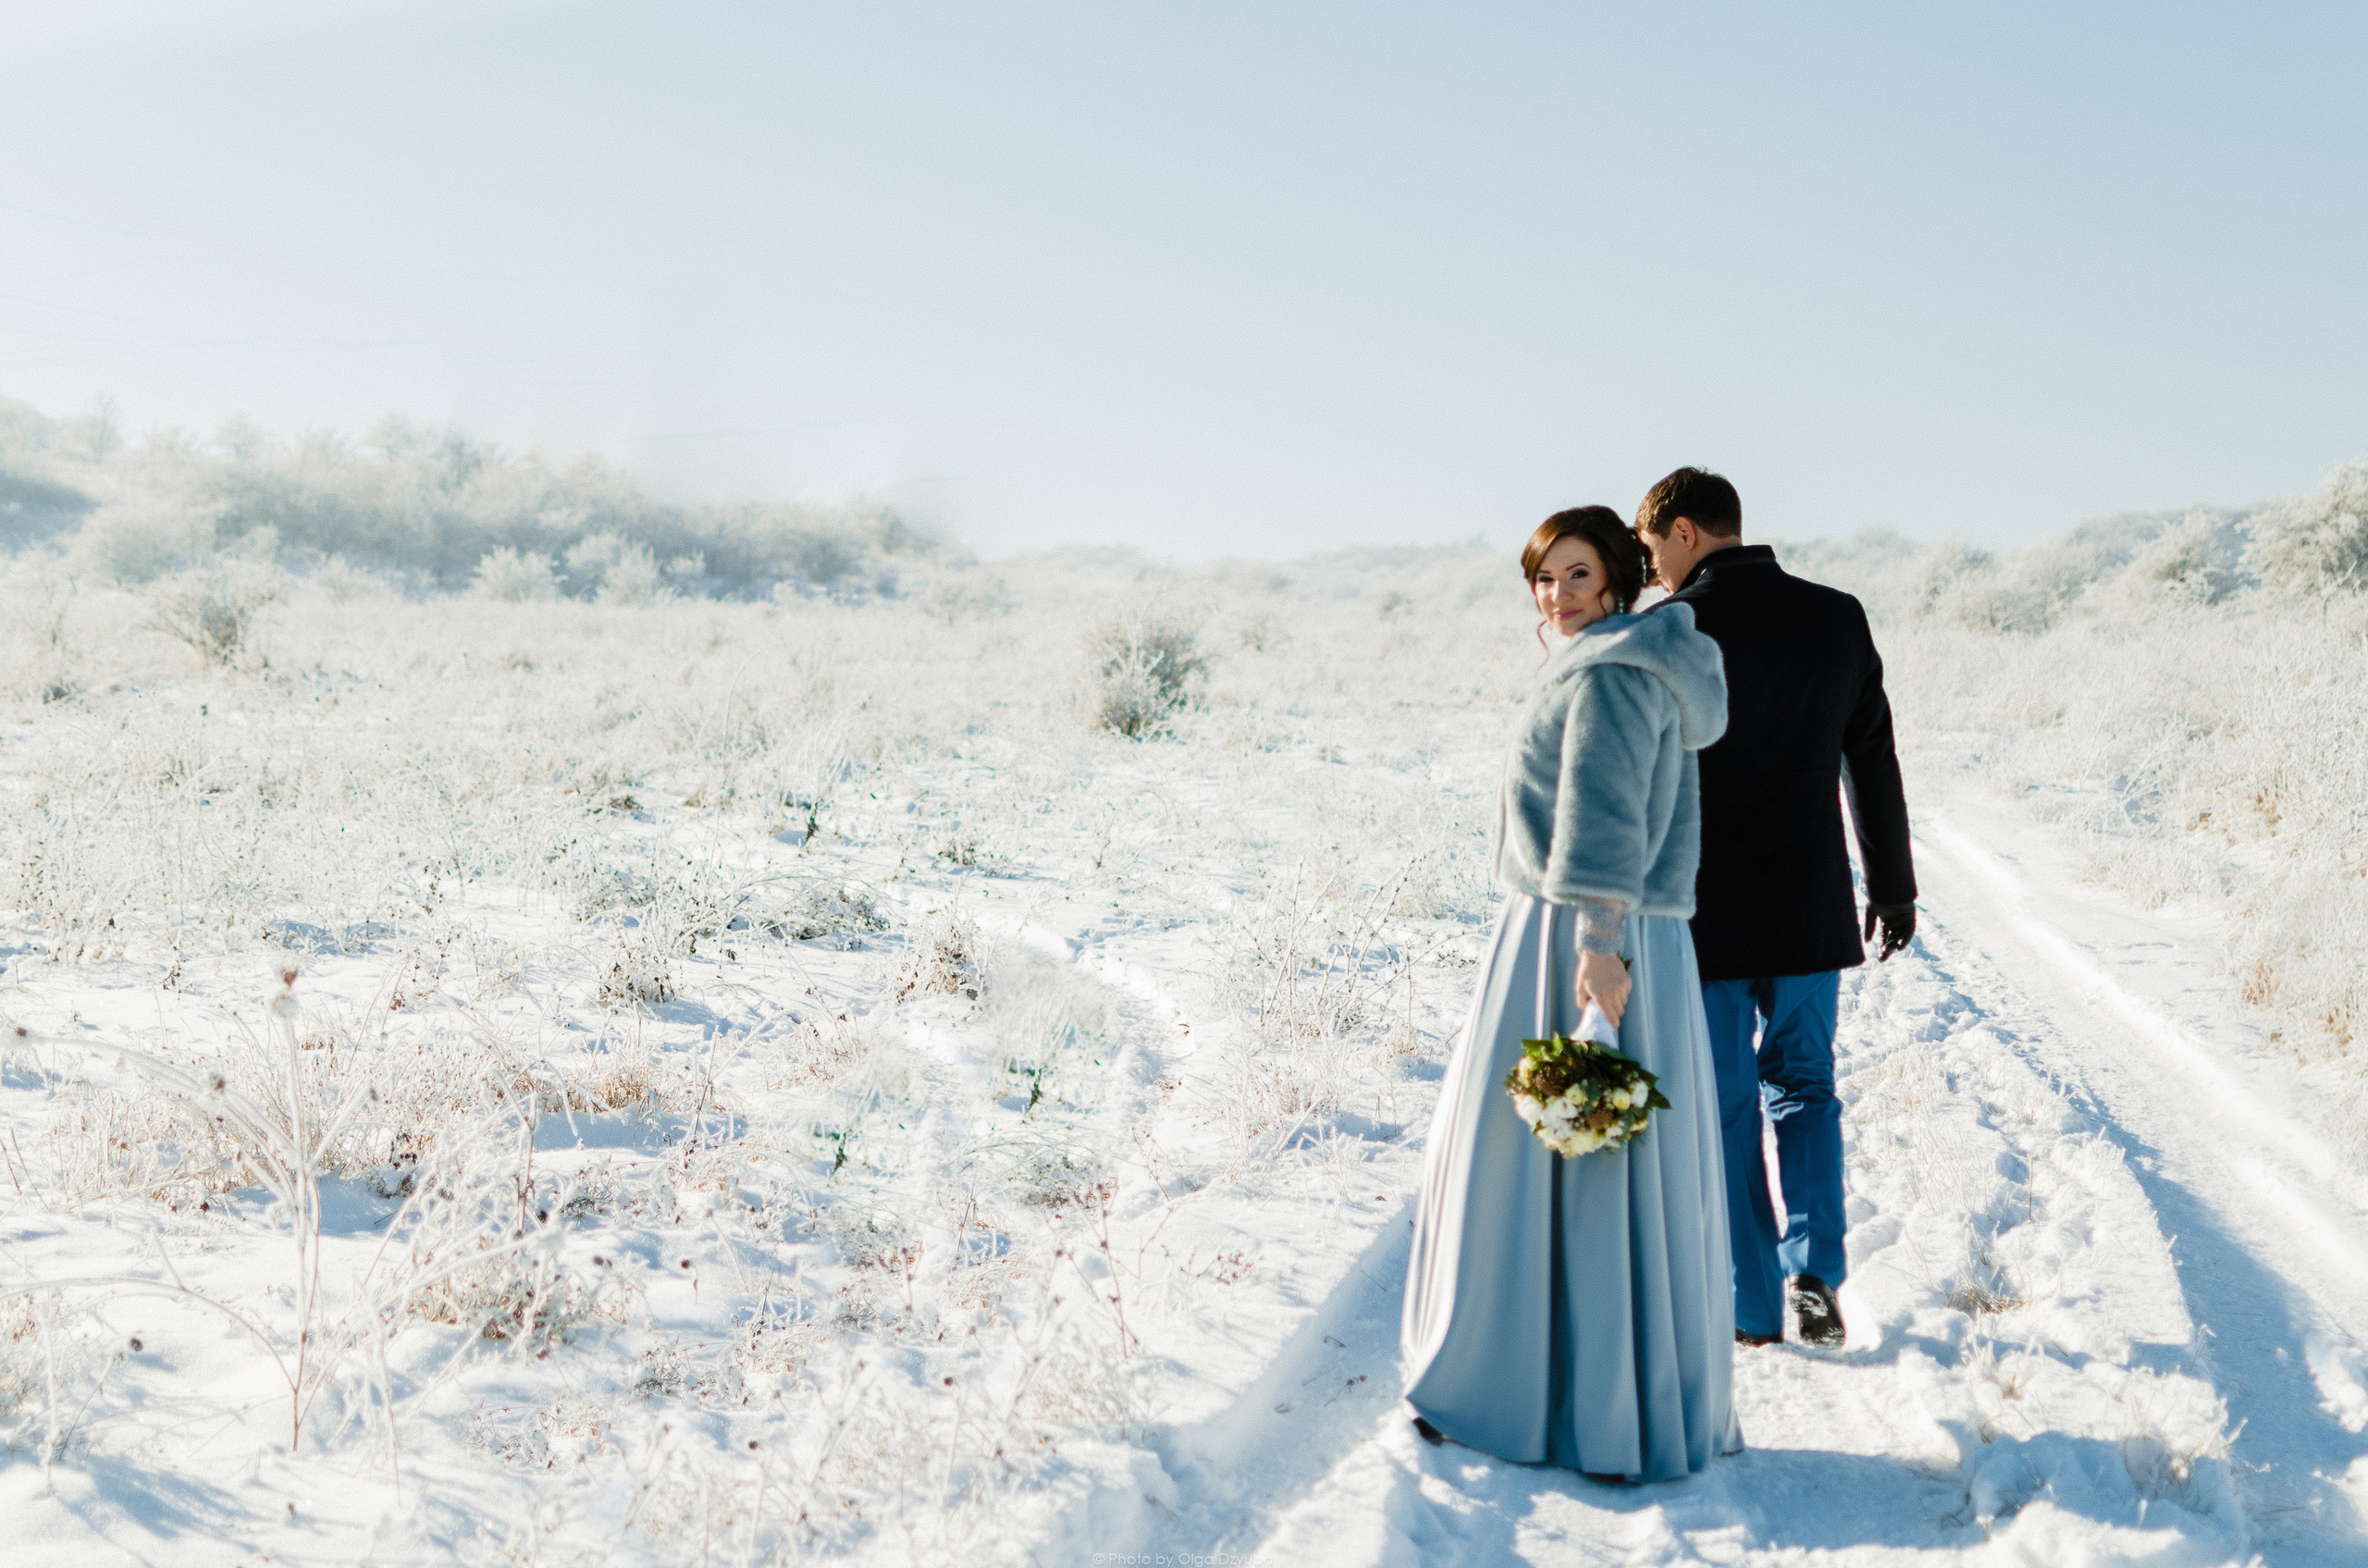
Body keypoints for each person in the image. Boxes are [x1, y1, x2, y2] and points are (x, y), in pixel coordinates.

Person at [1401, 505, 1741, 1481]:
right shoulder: (1613, 662)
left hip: (1585, 928)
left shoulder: (1611, 674)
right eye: (1545, 577)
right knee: (1572, 1149)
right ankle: (1577, 1392)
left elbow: (1602, 818)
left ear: (1620, 582)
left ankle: (1580, 1405)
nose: (1557, 595)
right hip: (1591, 925)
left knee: (1575, 1149)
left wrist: (1597, 951)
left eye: (1579, 576)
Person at [1636, 467, 1917, 1349]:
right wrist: (1893, 885)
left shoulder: (1666, 630)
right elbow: (1870, 757)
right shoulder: (1836, 615)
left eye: (1653, 552)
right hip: (1805, 902)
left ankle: (1751, 1304)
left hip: (1698, 909)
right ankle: (1815, 1272)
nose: (1655, 572)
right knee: (1804, 1085)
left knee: (1722, 1104)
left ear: (1683, 531)